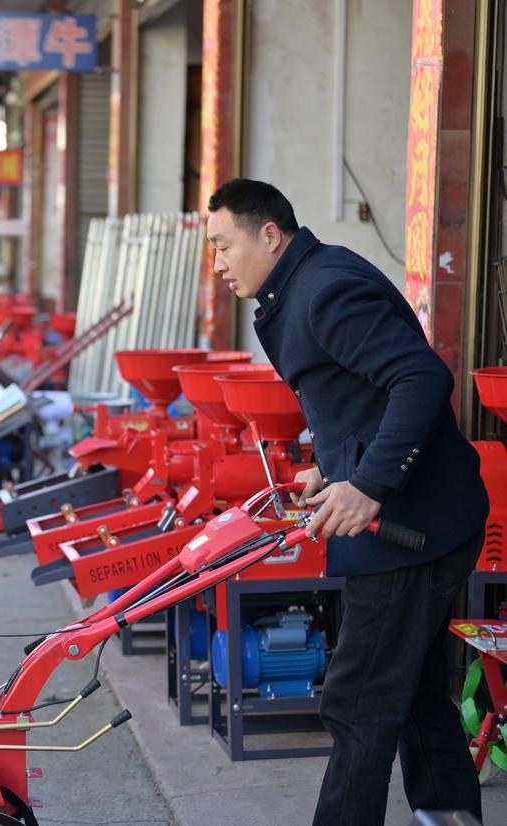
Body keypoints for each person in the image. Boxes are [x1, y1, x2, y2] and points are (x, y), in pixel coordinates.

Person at [206, 178, 488, 826]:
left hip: (410, 527)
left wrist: (367, 485)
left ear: (269, 234)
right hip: (419, 516)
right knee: (414, 692)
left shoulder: (325, 287)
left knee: (358, 701)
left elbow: (420, 378)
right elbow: (362, 398)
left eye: (224, 245)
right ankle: (451, 816)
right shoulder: (299, 286)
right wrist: (328, 468)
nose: (218, 263)